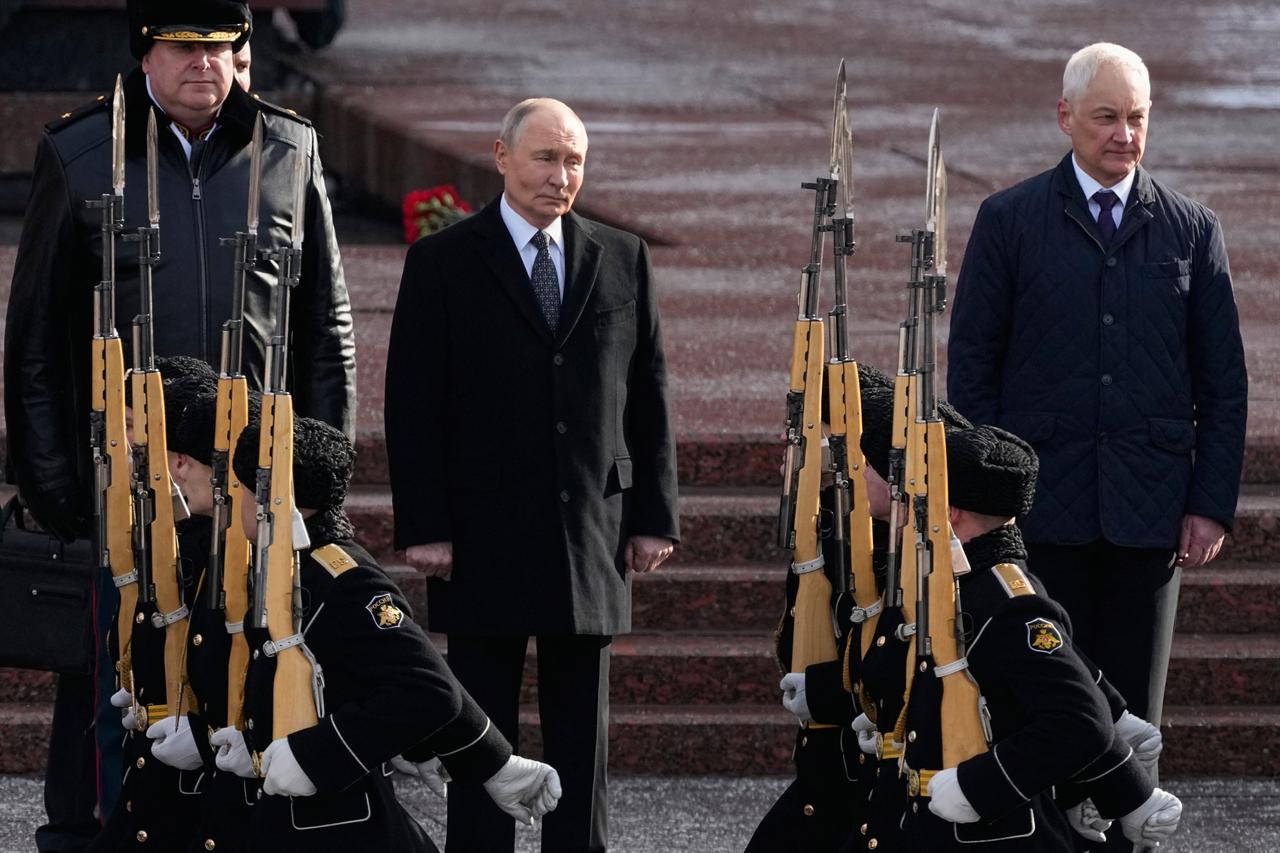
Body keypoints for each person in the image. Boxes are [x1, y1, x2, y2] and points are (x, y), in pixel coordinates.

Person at [4, 3, 356, 848]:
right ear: (146, 53)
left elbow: (324, 329)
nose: (205, 64)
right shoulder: (81, 151)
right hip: (125, 487)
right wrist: (57, 491)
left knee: (245, 684)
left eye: (221, 47)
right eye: (184, 47)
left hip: (250, 483)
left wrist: (318, 477)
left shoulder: (290, 148)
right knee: (113, 695)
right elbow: (35, 341)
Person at [385, 97, 680, 852]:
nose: (561, 175)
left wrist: (655, 515)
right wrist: (425, 526)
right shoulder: (445, 261)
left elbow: (648, 392)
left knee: (582, 733)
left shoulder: (622, 255)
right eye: (546, 157)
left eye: (574, 160)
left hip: (590, 530)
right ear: (502, 157)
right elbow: (412, 402)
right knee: (480, 732)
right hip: (483, 530)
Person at [946, 42, 1247, 745]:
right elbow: (973, 370)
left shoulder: (1193, 230)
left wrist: (1210, 505)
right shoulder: (1008, 221)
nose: (1125, 135)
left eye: (1137, 118)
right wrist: (987, 499)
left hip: (1150, 513)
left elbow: (1224, 382)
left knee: (1137, 724)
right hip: (1039, 513)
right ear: (1065, 116)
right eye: (1107, 117)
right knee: (1040, 713)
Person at [227, 414, 561, 851]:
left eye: (242, 489)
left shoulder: (341, 577)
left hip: (343, 829)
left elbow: (427, 688)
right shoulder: (292, 568)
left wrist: (316, 755)